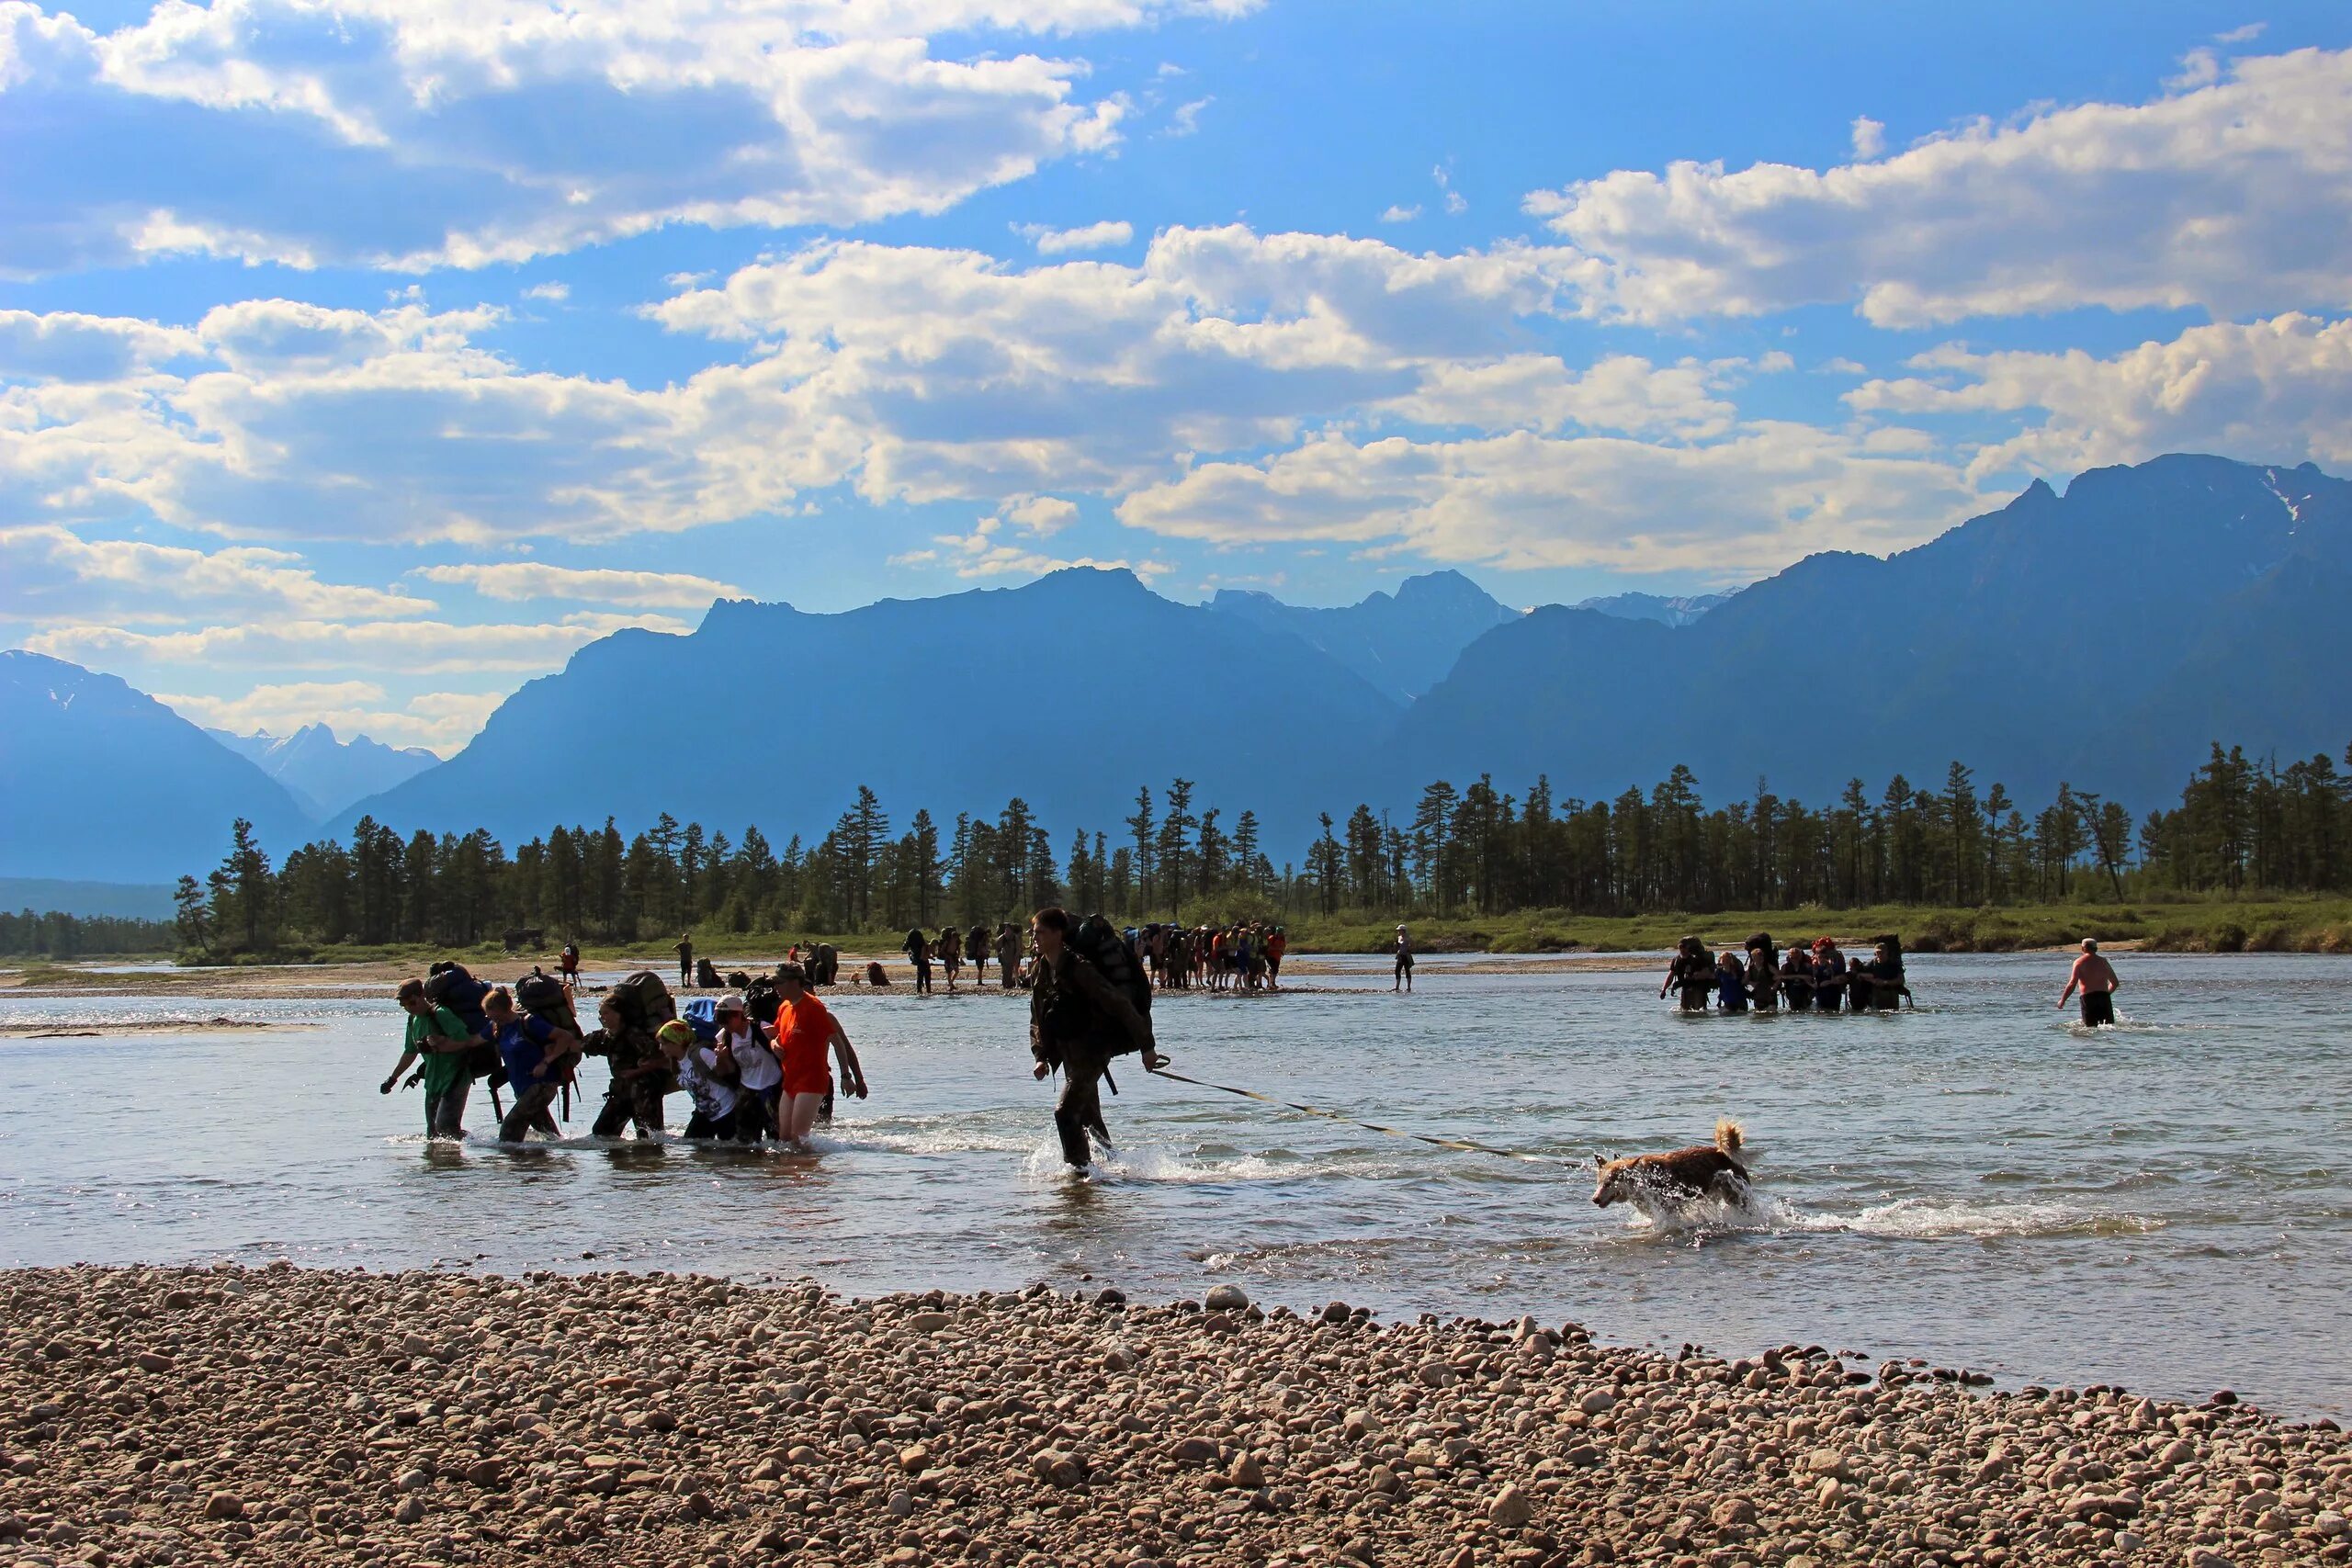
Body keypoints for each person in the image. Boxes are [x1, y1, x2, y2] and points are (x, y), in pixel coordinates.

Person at [1029, 908, 1164, 1169]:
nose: (1035, 939)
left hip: (1093, 1048)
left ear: (1058, 934)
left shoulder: (1080, 968)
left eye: (1040, 933)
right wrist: (1040, 1056)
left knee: (1066, 1113)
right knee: (1089, 1118)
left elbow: (1119, 1004)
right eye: (1034, 934)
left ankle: (1079, 1176)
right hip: (1069, 1050)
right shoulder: (1041, 969)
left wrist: (1148, 1048)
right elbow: (1037, 1016)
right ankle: (1117, 1168)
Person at [767, 963, 867, 1145]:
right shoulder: (785, 1007)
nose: (776, 987)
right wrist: (774, 1045)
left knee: (799, 1139)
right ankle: (792, 1172)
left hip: (811, 1080)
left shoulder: (814, 1008)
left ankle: (816, 1170)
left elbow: (839, 1043)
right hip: (790, 1080)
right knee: (784, 1138)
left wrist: (847, 1076)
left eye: (779, 982)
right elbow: (777, 1035)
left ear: (795, 982)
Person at [384, 978, 480, 1139]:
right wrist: (393, 1079)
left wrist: (441, 1043)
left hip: (455, 1078)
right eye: (403, 1005)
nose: (408, 1008)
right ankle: (439, 1162)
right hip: (433, 1082)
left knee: (446, 1128)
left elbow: (467, 1041)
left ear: (422, 996)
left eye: (412, 1003)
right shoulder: (412, 1021)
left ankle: (477, 1146)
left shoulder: (441, 1014)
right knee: (433, 1134)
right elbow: (410, 1052)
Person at [488, 987, 582, 1143]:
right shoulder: (499, 1027)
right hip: (522, 1089)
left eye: (492, 1014)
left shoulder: (529, 1022)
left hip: (542, 1085)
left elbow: (565, 1037)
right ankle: (554, 1164)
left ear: (502, 1009)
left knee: (509, 1133)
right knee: (550, 1136)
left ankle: (520, 1166)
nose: (490, 1018)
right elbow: (473, 1040)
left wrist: (546, 1062)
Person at [586, 993, 668, 1138]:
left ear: (619, 1015)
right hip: (620, 1093)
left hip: (644, 1094)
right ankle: (618, 1159)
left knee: (650, 1139)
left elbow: (664, 1057)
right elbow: (577, 1044)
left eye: (606, 1013)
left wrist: (638, 1071)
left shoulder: (634, 1035)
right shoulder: (605, 1036)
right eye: (600, 1013)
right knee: (601, 1133)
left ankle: (650, 1162)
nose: (601, 1017)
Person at [657, 1019, 745, 1139]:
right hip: (705, 1113)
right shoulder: (675, 1063)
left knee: (730, 1151)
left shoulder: (700, 1053)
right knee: (692, 1146)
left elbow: (726, 1071)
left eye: (663, 1043)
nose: (660, 1048)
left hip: (727, 1110)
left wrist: (721, 1058)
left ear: (676, 1042)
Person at [715, 994, 782, 1140]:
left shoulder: (761, 1029)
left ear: (739, 1014)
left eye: (727, 1020)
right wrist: (721, 1058)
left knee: (777, 1137)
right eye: (721, 1022)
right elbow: (725, 1071)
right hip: (747, 1090)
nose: (725, 1026)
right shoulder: (724, 1037)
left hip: (772, 1086)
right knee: (745, 1139)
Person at [2059, 937, 2120, 1027]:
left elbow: (2072, 983)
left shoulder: (2079, 962)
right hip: (2104, 998)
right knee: (2108, 1027)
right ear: (2096, 948)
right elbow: (2115, 983)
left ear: (2083, 948)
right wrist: (2106, 994)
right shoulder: (2103, 962)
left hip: (2089, 998)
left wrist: (2063, 1000)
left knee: (2090, 1029)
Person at [1659, 936, 1713, 1013]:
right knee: (1685, 1011)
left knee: (1699, 1012)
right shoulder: (1676, 960)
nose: (1682, 949)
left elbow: (1707, 972)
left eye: (1684, 947)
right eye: (1680, 947)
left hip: (1698, 989)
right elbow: (1670, 975)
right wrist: (1664, 990)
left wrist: (1696, 975)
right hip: (1685, 989)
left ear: (1689, 948)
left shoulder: (1697, 959)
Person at [1811, 938, 1849, 1015]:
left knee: (1835, 1011)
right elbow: (1810, 978)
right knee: (1821, 1011)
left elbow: (1843, 977)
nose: (1822, 959)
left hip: (1834, 992)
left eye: (1824, 957)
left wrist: (1831, 981)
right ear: (1816, 956)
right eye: (1820, 957)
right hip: (1820, 993)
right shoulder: (1814, 966)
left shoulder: (1834, 966)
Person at [1744, 935, 1779, 1012]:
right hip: (1758, 998)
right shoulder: (1750, 968)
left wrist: (1774, 986)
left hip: (1770, 997)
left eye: (1762, 956)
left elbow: (1779, 976)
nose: (1761, 958)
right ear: (1753, 958)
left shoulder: (1768, 966)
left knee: (1770, 1012)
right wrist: (1750, 984)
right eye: (1758, 957)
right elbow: (1744, 981)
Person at [1780, 942, 1815, 1010]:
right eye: (1792, 958)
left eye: (1796, 957)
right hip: (1791, 992)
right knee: (1794, 1010)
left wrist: (1792, 977)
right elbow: (1778, 977)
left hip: (1805, 992)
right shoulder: (1786, 967)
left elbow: (1810, 977)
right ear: (1789, 958)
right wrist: (1798, 977)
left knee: (1806, 1009)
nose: (1794, 960)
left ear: (1800, 957)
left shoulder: (1806, 966)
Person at [1714, 947, 1749, 1012]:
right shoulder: (1719, 972)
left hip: (1740, 1001)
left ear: (1730, 960)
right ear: (1720, 960)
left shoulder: (1737, 971)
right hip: (1728, 1002)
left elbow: (1744, 981)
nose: (1725, 961)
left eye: (1727, 959)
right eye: (1723, 960)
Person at [905, 928, 933, 995]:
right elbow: (925, 950)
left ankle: (919, 990)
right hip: (923, 959)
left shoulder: (910, 940)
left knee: (920, 974)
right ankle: (927, 990)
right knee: (927, 974)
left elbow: (904, 948)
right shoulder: (922, 942)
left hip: (917, 959)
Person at [997, 921, 1024, 988]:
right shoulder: (1002, 937)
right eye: (1006, 930)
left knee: (1012, 971)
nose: (1007, 931)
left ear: (1011, 930)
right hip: (1005, 957)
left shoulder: (1015, 938)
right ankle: (1005, 984)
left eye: (1008, 930)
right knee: (1005, 971)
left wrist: (1016, 956)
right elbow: (998, 946)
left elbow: (1018, 948)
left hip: (1014, 957)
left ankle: (1011, 984)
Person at [1393, 924, 1415, 992]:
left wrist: (1409, 949)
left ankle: (1408, 987)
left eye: (1400, 930)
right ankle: (1397, 987)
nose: (1398, 932)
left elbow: (1412, 945)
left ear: (1403, 931)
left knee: (1407, 971)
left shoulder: (1408, 938)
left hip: (1406, 956)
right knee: (1397, 971)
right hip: (1400, 955)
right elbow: (1399, 946)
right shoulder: (1399, 937)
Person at [968, 923, 991, 987]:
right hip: (980, 955)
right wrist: (984, 954)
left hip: (978, 954)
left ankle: (980, 981)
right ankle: (979, 981)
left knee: (980, 969)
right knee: (980, 969)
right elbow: (980, 947)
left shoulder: (981, 938)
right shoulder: (982, 939)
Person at [1266, 925, 1287, 990]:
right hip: (1270, 956)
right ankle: (1271, 983)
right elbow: (1268, 947)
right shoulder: (1272, 938)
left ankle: (1272, 983)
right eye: (1279, 932)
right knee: (1273, 969)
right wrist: (1278, 949)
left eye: (1281, 932)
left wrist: (1281, 950)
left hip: (1278, 956)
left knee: (1275, 970)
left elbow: (1283, 947)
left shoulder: (1282, 939)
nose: (1280, 934)